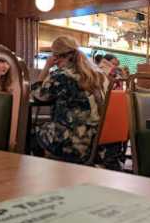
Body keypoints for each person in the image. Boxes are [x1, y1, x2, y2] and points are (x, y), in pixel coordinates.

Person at [32, 36, 108, 164]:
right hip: (99, 142)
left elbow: (37, 95)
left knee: (33, 136)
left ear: (56, 56)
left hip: (75, 143)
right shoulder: (99, 75)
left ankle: (48, 172)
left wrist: (46, 68)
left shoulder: (61, 76)